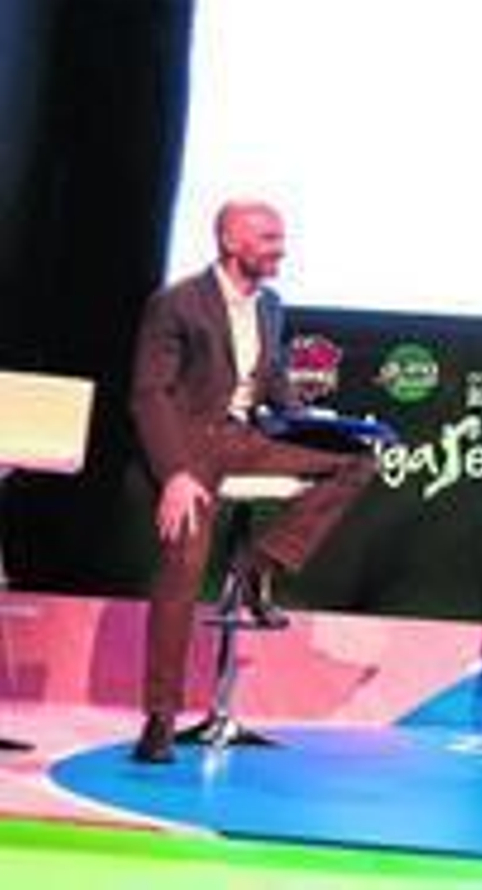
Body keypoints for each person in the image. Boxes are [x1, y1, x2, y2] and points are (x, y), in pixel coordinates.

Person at [128, 200, 377, 765]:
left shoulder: (269, 305)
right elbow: (149, 395)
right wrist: (175, 474)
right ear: (230, 241)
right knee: (182, 569)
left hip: (243, 438)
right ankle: (160, 718)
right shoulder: (176, 303)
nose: (279, 248)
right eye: (268, 238)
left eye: (280, 237)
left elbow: (273, 385)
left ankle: (258, 565)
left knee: (358, 459)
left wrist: (319, 426)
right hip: (189, 447)